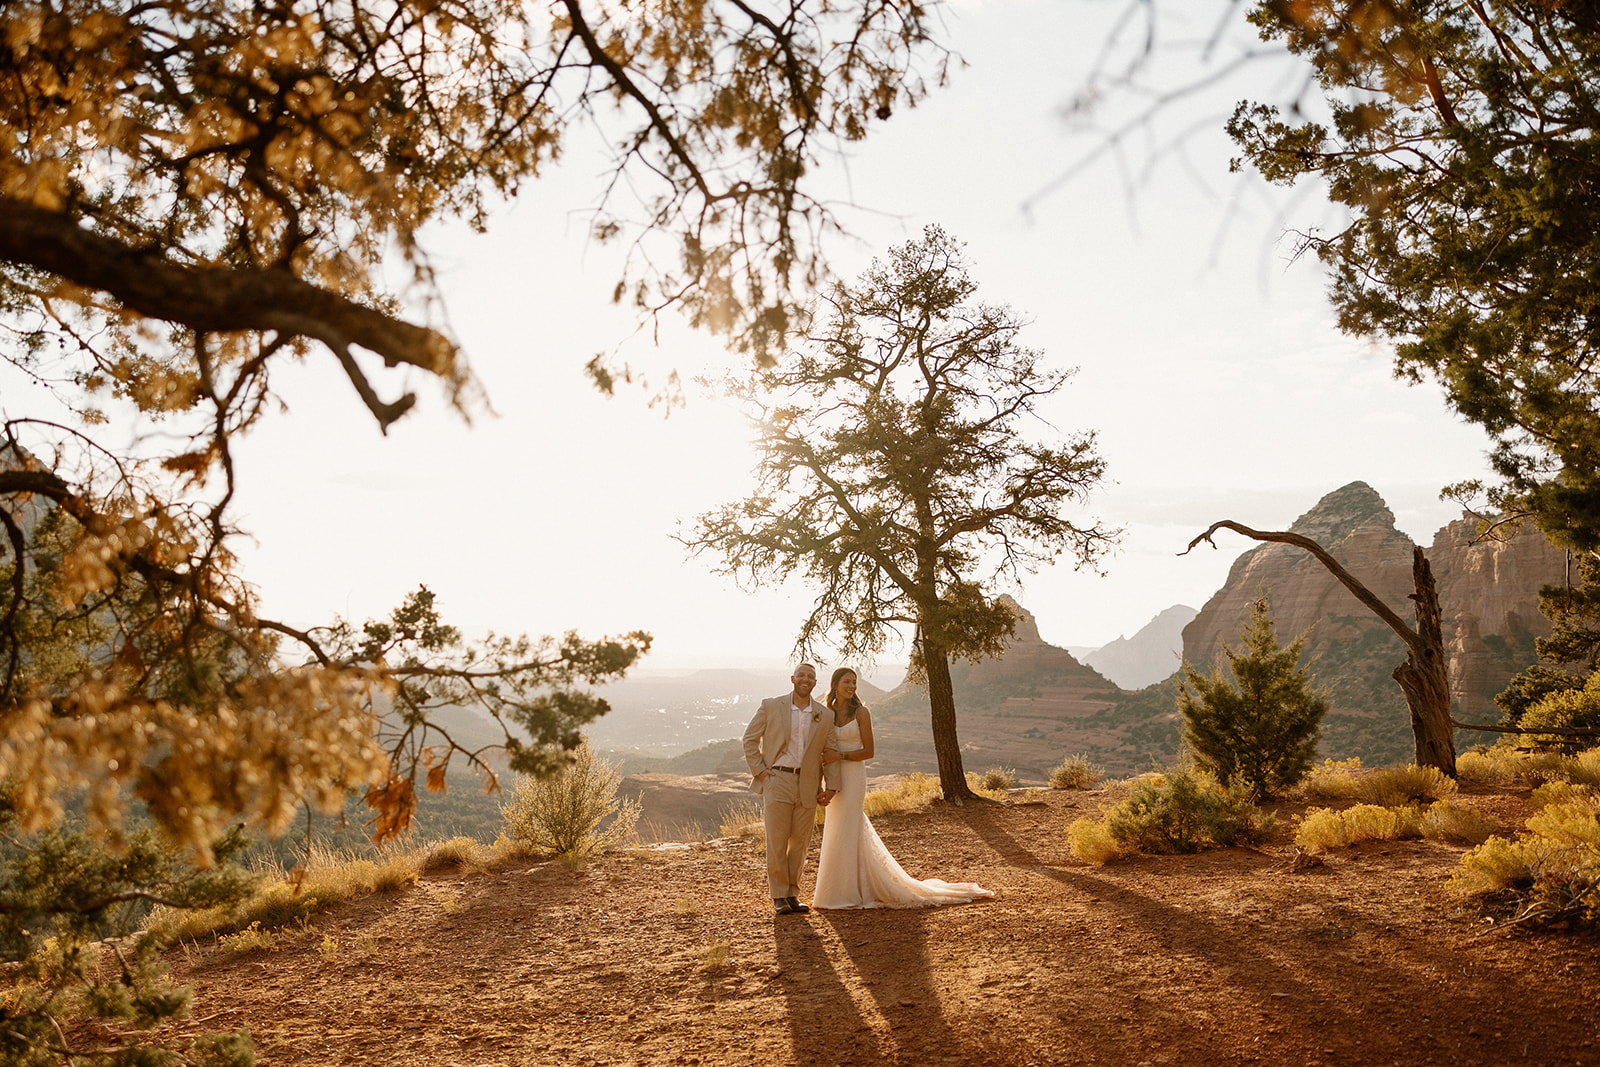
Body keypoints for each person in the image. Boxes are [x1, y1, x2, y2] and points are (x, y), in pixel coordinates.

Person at [812, 666, 994, 909]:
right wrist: (823, 781)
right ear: (835, 684)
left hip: (854, 775)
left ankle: (854, 891)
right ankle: (835, 891)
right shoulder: (827, 714)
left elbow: (869, 751)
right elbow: (822, 751)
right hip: (834, 778)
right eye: (847, 681)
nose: (852, 686)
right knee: (836, 828)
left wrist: (840, 756)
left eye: (854, 682)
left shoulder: (862, 713)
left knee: (850, 825)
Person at [742, 662, 841, 915]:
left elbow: (829, 752)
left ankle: (792, 894)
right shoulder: (771, 706)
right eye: (801, 675)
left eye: (811, 676)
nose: (805, 679)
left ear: (815, 683)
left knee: (799, 843)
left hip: (808, 784)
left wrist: (831, 786)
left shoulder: (824, 715)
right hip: (778, 780)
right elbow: (749, 739)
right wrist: (762, 773)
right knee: (777, 840)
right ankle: (778, 895)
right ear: (793, 679)